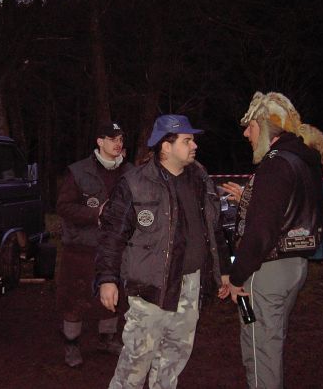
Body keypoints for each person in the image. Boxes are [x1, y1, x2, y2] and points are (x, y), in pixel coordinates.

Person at [95, 114, 230, 389]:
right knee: (134, 367)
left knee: (171, 365)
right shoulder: (135, 183)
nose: (194, 146)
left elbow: (214, 230)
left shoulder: (200, 180)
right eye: (187, 140)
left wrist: (223, 271)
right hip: (150, 290)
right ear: (166, 146)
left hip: (190, 286)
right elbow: (112, 236)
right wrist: (107, 279)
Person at [222, 92, 323, 389]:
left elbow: (262, 231)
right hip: (295, 266)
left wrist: (237, 276)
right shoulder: (303, 160)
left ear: (265, 126)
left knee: (261, 349)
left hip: (266, 271)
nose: (246, 134)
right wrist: (249, 199)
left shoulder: (274, 163)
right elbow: (291, 211)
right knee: (270, 340)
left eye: (250, 127)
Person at [56, 121, 134, 367]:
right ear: (100, 142)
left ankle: (107, 339)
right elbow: (63, 206)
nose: (118, 144)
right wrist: (95, 214)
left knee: (115, 297)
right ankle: (71, 344)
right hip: (81, 249)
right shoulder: (78, 171)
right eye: (112, 139)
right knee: (75, 298)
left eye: (120, 139)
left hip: (116, 248)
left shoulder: (130, 171)